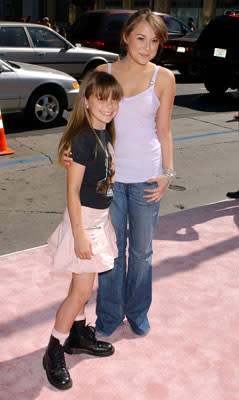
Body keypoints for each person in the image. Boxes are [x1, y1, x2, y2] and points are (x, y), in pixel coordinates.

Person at [63, 9, 176, 338]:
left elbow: (165, 131)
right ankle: (110, 313)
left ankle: (138, 311)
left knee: (142, 253)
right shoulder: (104, 71)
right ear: (126, 37)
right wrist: (72, 149)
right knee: (111, 252)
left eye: (155, 41)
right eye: (140, 38)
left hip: (147, 179)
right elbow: (85, 116)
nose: (147, 47)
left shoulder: (164, 78)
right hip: (106, 180)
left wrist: (167, 173)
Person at [43, 71, 122, 390]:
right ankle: (53, 351)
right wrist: (79, 234)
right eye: (101, 98)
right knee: (81, 292)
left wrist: (105, 223)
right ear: (86, 101)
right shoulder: (85, 138)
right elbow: (73, 192)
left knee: (81, 287)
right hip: (84, 223)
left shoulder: (104, 133)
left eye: (114, 99)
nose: (109, 105)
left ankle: (76, 335)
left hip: (98, 221)